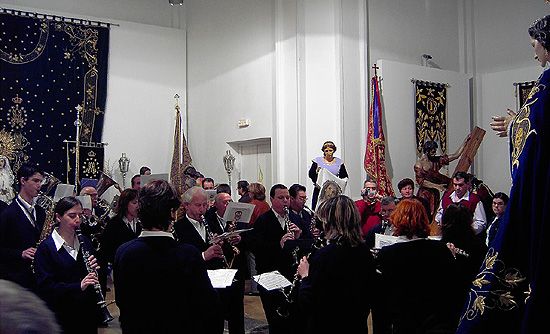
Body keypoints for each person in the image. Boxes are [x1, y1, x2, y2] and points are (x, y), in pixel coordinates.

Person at [458, 16, 550, 334]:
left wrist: (514, 127)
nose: (534, 52)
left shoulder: (547, 84)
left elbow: (536, 137)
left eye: (534, 45)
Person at [114, 180, 223, 333]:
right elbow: (207, 305)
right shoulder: (188, 254)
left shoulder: (124, 252)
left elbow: (122, 302)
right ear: (172, 213)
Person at [375, 198, 463, 333]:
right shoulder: (440, 250)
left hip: (405, 324)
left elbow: (382, 303)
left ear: (397, 220)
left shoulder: (388, 255)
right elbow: (453, 290)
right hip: (437, 323)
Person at [296, 195, 376, 333]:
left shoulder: (325, 255)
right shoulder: (365, 252)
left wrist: (305, 276)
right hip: (355, 325)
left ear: (330, 222)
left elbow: (311, 301)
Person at [33, 196, 102, 334]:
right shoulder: (46, 249)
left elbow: (93, 280)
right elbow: (46, 288)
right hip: (60, 317)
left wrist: (96, 271)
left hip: (85, 314)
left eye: (80, 215)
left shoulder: (86, 242)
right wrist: (78, 286)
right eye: (72, 216)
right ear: (58, 217)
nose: (78, 220)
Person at [249, 184, 301, 334]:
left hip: (291, 276)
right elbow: (257, 249)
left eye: (287, 198)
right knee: (276, 321)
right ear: (272, 199)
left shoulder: (294, 218)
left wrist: (297, 238)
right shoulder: (263, 220)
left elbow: (302, 246)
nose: (285, 201)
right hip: (270, 276)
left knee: (292, 321)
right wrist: (279, 244)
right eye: (280, 198)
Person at [204, 192, 246, 334]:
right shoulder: (208, 219)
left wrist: (240, 239)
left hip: (235, 269)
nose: (229, 205)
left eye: (230, 201)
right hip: (218, 271)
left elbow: (250, 239)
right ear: (216, 204)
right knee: (218, 311)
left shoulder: (238, 218)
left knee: (237, 311)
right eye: (225, 202)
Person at [0, 162, 45, 290]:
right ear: (23, 181)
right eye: (35, 181)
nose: (39, 185)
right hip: (16, 278)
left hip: (38, 277)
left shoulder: (41, 212)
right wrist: (21, 253)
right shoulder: (8, 213)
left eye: (41, 182)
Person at [414, 136, 469, 219]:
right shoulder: (419, 165)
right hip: (425, 194)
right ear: (427, 151)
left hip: (435, 193)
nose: (434, 154)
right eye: (432, 152)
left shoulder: (436, 160)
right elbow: (421, 182)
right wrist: (437, 186)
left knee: (434, 213)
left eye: (435, 152)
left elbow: (456, 155)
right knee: (424, 214)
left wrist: (465, 142)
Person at [434, 171, 487, 236]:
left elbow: (481, 222)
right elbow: (439, 214)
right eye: (455, 184)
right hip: (447, 236)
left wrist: (468, 231)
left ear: (467, 184)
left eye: (460, 185)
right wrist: (442, 221)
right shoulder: (446, 198)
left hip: (466, 238)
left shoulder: (474, 200)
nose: (457, 188)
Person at [100, 189, 141, 267]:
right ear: (125, 204)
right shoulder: (114, 223)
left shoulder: (139, 223)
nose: (138, 206)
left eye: (139, 202)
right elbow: (107, 250)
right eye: (134, 203)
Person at [308, 141, 348, 210]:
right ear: (323, 151)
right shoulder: (317, 161)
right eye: (326, 151)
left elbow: (344, 176)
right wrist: (318, 178)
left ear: (334, 151)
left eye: (330, 150)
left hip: (334, 190)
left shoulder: (339, 162)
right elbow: (311, 174)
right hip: (320, 189)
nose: (329, 153)